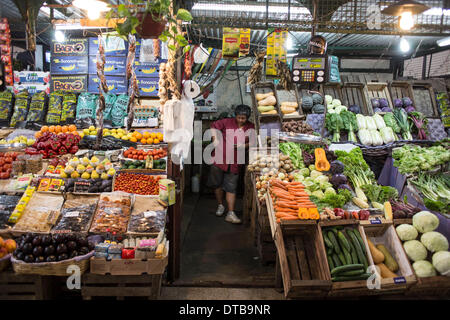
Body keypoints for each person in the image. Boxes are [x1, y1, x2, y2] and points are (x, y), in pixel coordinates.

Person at [207, 104, 255, 224]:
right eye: (238, 117)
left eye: (243, 118)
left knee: (231, 187)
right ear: (235, 116)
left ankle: (231, 213)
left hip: (235, 161)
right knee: (217, 184)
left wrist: (244, 145)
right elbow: (213, 126)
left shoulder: (251, 127)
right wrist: (215, 139)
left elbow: (254, 141)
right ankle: (220, 205)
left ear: (247, 118)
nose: (240, 120)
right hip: (219, 158)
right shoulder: (227, 122)